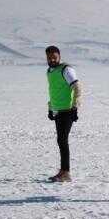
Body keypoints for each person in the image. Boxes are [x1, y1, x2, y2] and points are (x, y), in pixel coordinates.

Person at [45, 46, 82, 182]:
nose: (52, 60)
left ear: (59, 56)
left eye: (54, 57)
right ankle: (63, 171)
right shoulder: (50, 71)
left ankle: (65, 173)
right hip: (58, 110)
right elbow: (53, 90)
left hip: (67, 110)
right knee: (61, 141)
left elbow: (77, 87)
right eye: (49, 57)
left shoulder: (66, 69)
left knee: (62, 140)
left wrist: (75, 107)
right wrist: (50, 108)